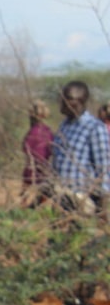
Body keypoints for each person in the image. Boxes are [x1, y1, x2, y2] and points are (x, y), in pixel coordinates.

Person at [52, 80, 110, 211]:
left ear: (78, 101)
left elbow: (103, 169)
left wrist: (103, 208)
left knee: (81, 231)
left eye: (65, 98)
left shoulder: (94, 128)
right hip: (61, 196)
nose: (61, 102)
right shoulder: (64, 126)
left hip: (83, 199)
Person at [21, 99, 55, 207]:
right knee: (44, 187)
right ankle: (40, 207)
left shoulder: (33, 131)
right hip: (45, 164)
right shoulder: (48, 130)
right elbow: (51, 149)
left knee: (27, 186)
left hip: (33, 164)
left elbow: (26, 147)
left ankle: (25, 207)